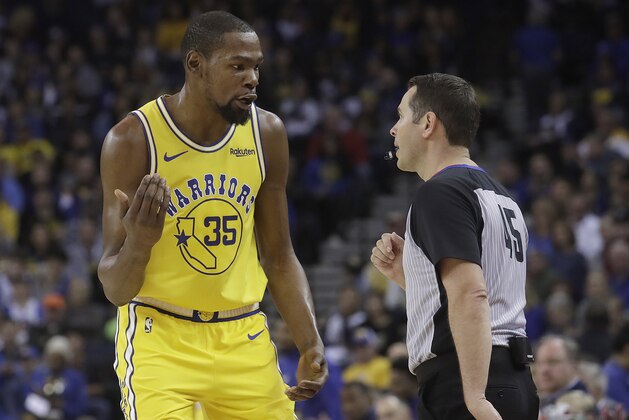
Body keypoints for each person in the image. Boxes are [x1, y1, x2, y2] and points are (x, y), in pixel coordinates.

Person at [97, 11, 328, 419]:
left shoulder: (267, 133)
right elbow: (116, 289)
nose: (252, 78)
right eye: (237, 66)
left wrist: (309, 341)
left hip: (244, 336)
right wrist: (140, 242)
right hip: (160, 339)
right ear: (195, 65)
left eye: (256, 66)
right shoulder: (132, 139)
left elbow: (278, 255)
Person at [370, 73, 539, 419]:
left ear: (428, 124)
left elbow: (471, 295)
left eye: (401, 115)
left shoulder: (441, 191)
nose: (393, 129)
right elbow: (477, 293)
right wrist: (414, 278)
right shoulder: (500, 195)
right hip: (514, 378)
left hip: (466, 382)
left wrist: (475, 397)